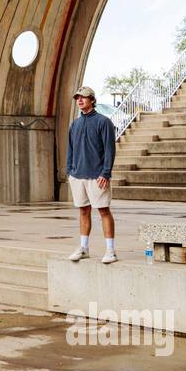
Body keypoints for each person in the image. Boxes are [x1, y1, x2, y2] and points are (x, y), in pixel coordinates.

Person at [66, 86, 117, 264]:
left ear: (92, 100)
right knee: (83, 211)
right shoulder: (75, 124)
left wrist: (106, 172)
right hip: (78, 175)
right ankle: (83, 248)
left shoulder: (104, 122)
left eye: (84, 97)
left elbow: (110, 149)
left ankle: (110, 250)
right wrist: (70, 171)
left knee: (103, 210)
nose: (80, 100)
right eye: (78, 98)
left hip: (97, 176)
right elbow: (70, 150)